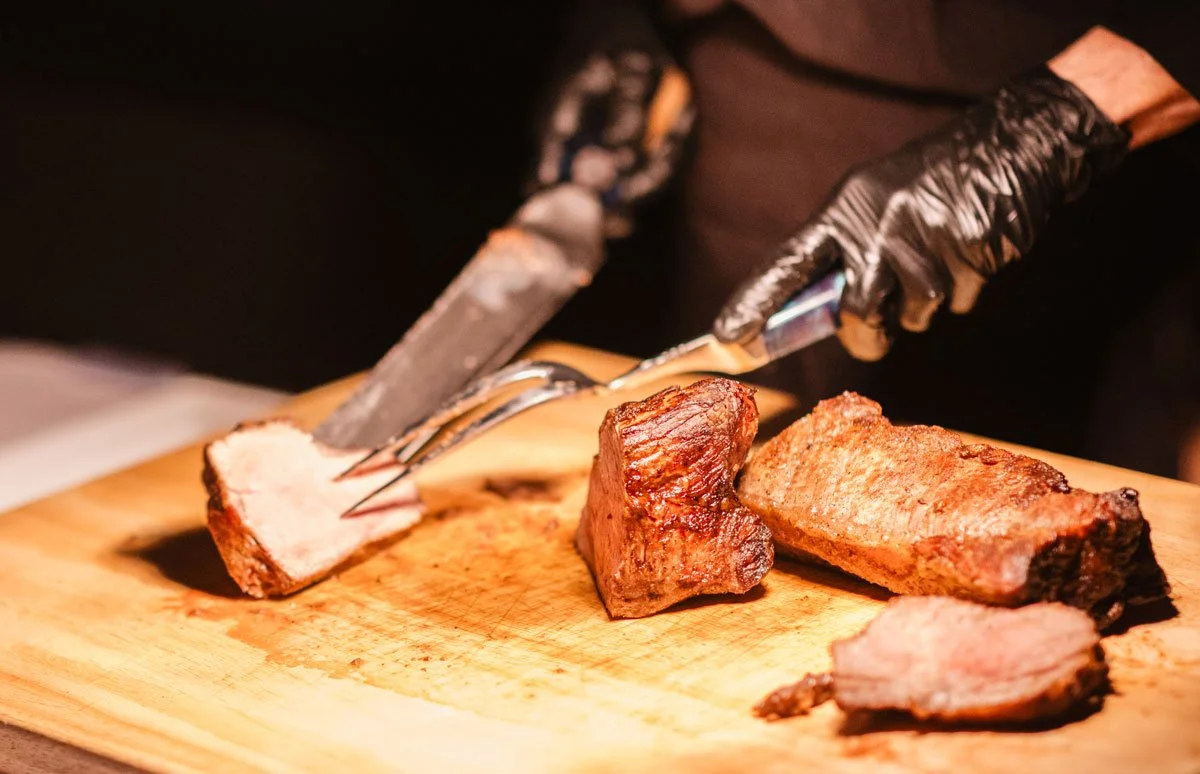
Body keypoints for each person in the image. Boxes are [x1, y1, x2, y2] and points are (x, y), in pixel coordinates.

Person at [530, 1, 1200, 481]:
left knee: (1060, 476)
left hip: (1090, 100)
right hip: (756, 61)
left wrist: (1059, 122)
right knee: (725, 447)